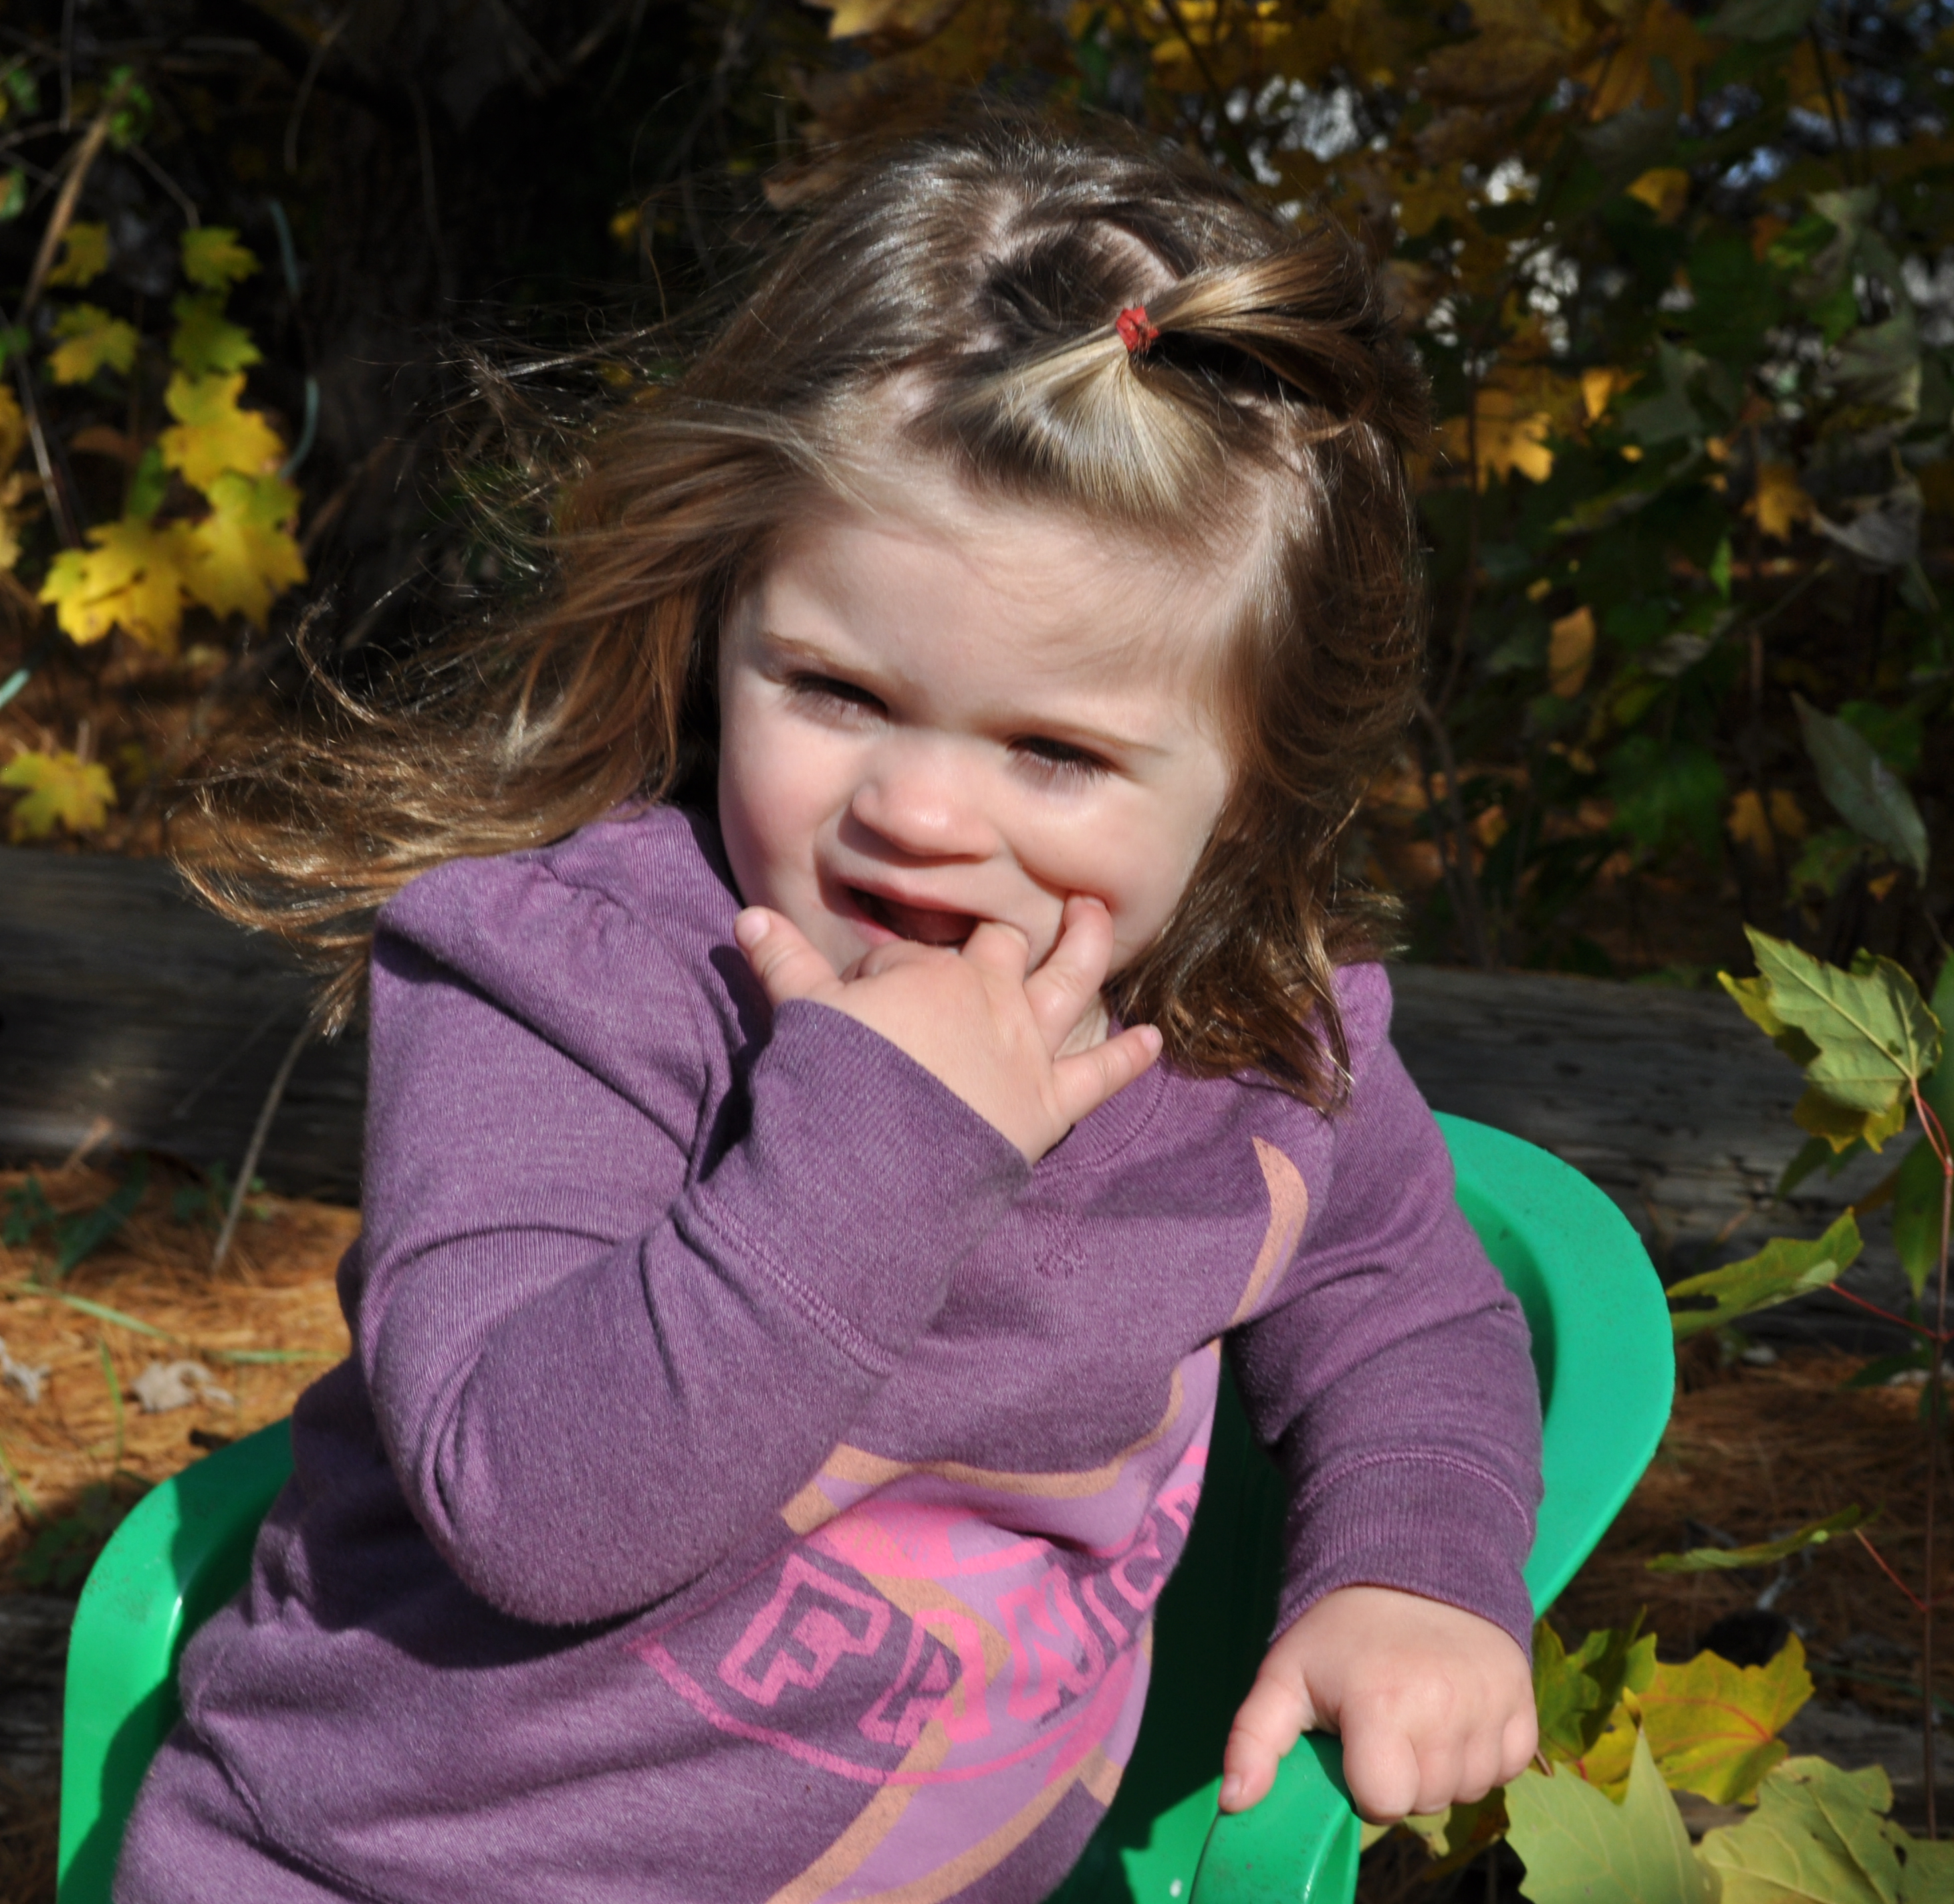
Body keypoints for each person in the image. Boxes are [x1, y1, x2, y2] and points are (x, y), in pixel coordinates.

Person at [120, 112, 1543, 1904]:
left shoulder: (1256, 1049)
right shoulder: (566, 978)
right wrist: (879, 1138)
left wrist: (1412, 1569)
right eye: (838, 690)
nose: (919, 813)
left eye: (1055, 750)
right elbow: (534, 1513)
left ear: (1251, 788)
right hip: (379, 1871)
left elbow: (1412, 1312)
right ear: (722, 628)